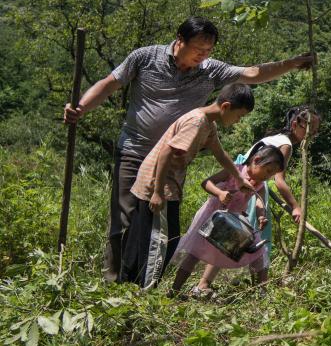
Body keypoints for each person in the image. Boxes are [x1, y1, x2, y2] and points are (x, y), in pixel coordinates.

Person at [62, 16, 316, 281]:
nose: (203, 55)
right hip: (136, 151)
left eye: (208, 51)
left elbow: (253, 73)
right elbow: (110, 82)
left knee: (159, 227)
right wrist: (80, 107)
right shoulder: (145, 57)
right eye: (198, 49)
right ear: (180, 40)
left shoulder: (210, 71)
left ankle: (139, 283)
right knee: (125, 219)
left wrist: (293, 63)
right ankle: (114, 282)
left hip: (173, 164)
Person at [119, 83, 256, 289]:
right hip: (158, 186)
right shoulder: (197, 122)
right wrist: (157, 192)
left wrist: (239, 177)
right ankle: (144, 289)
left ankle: (128, 285)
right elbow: (166, 152)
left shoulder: (208, 123)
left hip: (163, 185)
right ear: (226, 106)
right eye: (239, 116)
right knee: (163, 241)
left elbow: (220, 154)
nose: (238, 121)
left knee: (146, 236)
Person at [196, 105, 321, 290]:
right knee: (255, 240)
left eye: (316, 131)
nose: (312, 134)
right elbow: (279, 181)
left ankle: (206, 284)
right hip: (248, 188)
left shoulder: (276, 138)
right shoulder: (285, 145)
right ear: (295, 124)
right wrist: (295, 205)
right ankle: (260, 288)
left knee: (230, 238)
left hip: (243, 182)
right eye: (309, 128)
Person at [170, 144, 286, 297]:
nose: (267, 177)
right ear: (256, 160)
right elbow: (206, 182)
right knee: (195, 253)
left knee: (258, 251)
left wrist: (261, 215)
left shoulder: (260, 183)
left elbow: (259, 201)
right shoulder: (235, 170)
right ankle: (175, 290)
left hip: (235, 221)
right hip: (213, 216)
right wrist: (219, 193)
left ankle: (262, 292)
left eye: (271, 175)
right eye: (268, 171)